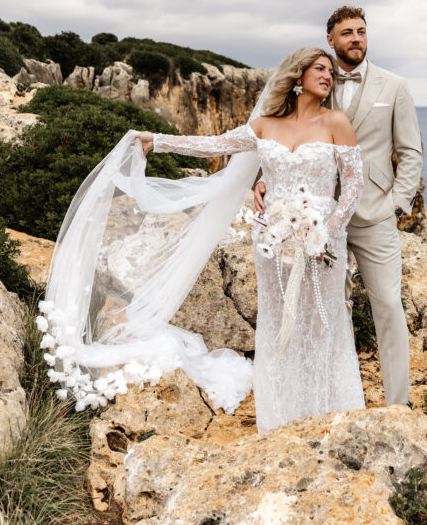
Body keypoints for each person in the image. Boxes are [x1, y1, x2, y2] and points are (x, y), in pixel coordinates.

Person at [39, 47, 365, 435]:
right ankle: (283, 419)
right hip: (272, 242)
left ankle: (333, 414)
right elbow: (214, 145)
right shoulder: (265, 125)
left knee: (324, 323)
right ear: (298, 77)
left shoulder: (336, 122)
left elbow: (353, 184)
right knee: (278, 324)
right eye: (320, 69)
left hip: (322, 241)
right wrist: (157, 141)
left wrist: (328, 231)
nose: (328, 76)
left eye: (331, 72)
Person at [255, 7, 423, 406]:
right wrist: (264, 179)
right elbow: (286, 137)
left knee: (387, 305)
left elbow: (410, 152)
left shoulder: (394, 86)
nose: (356, 38)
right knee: (328, 310)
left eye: (361, 31)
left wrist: (395, 205)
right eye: (347, 33)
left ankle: (398, 405)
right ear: (331, 40)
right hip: (313, 218)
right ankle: (329, 399)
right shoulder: (318, 80)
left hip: (373, 215)